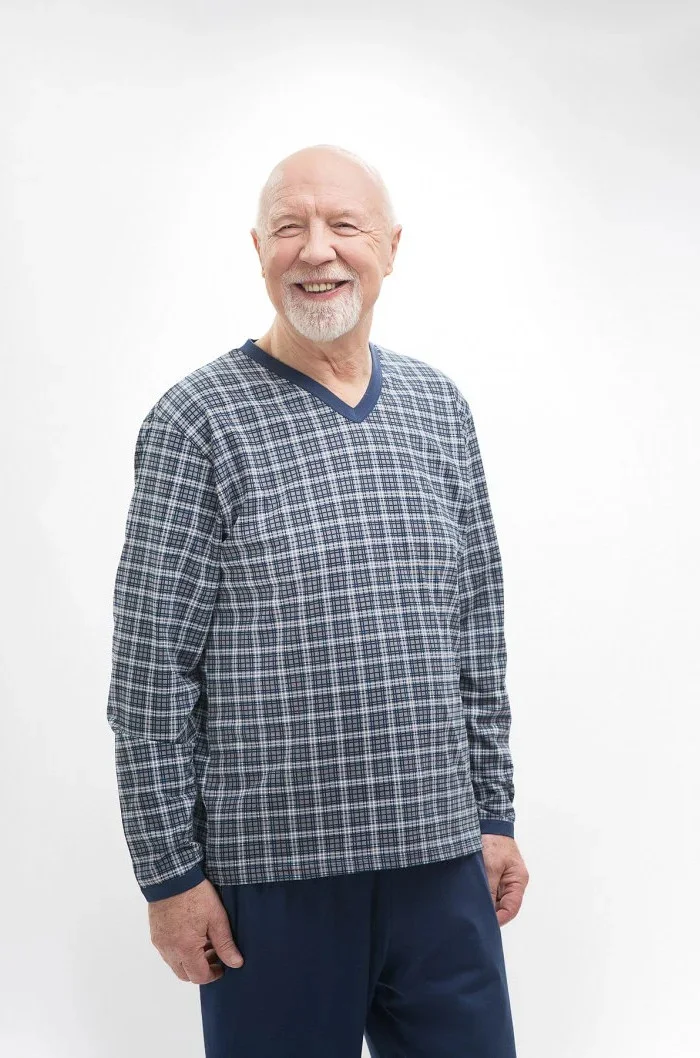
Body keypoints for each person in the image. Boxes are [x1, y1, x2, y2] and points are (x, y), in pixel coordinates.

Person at [107, 142, 529, 1058]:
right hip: (273, 884)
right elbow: (149, 677)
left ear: (391, 247)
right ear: (257, 248)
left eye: (344, 225)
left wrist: (493, 816)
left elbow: (477, 633)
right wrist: (169, 878)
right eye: (290, 227)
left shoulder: (439, 409)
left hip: (442, 863)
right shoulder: (196, 424)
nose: (317, 249)